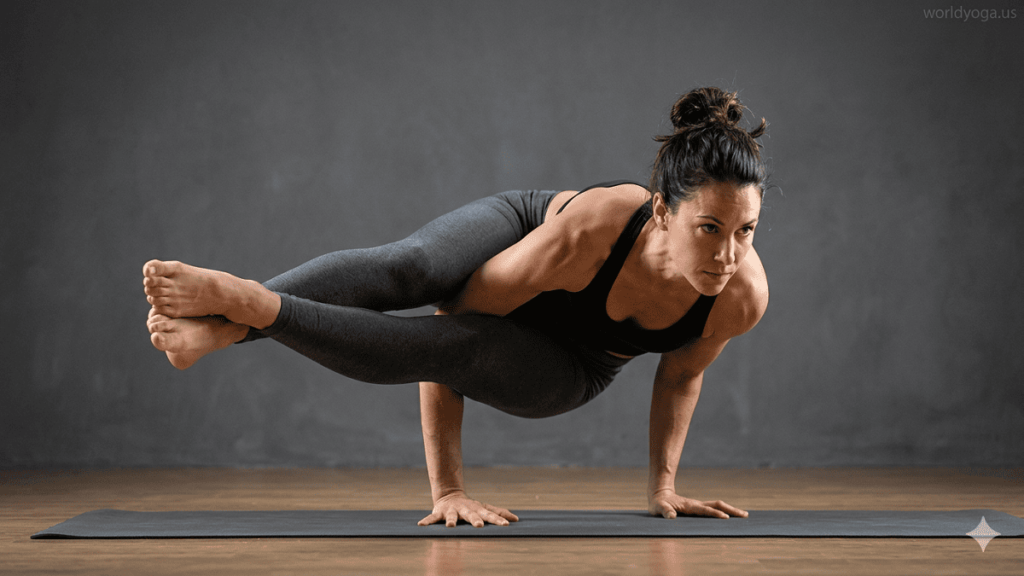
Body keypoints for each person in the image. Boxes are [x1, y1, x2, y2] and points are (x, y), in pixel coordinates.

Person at [143, 86, 770, 528]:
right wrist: (448, 488)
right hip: (523, 238)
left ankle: (251, 312)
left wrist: (663, 487)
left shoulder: (740, 297)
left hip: (572, 363)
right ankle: (235, 321)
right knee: (411, 268)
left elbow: (681, 377)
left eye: (745, 231)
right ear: (662, 211)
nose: (727, 255)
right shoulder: (594, 230)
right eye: (709, 228)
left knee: (464, 349)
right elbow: (454, 312)